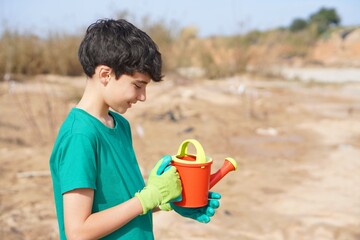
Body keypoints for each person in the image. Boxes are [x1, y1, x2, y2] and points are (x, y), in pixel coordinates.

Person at [49, 18, 221, 240]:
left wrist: (169, 201)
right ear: (105, 74)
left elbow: (127, 204)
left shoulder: (120, 126)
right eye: (138, 86)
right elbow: (78, 231)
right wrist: (147, 199)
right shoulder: (80, 136)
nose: (143, 97)